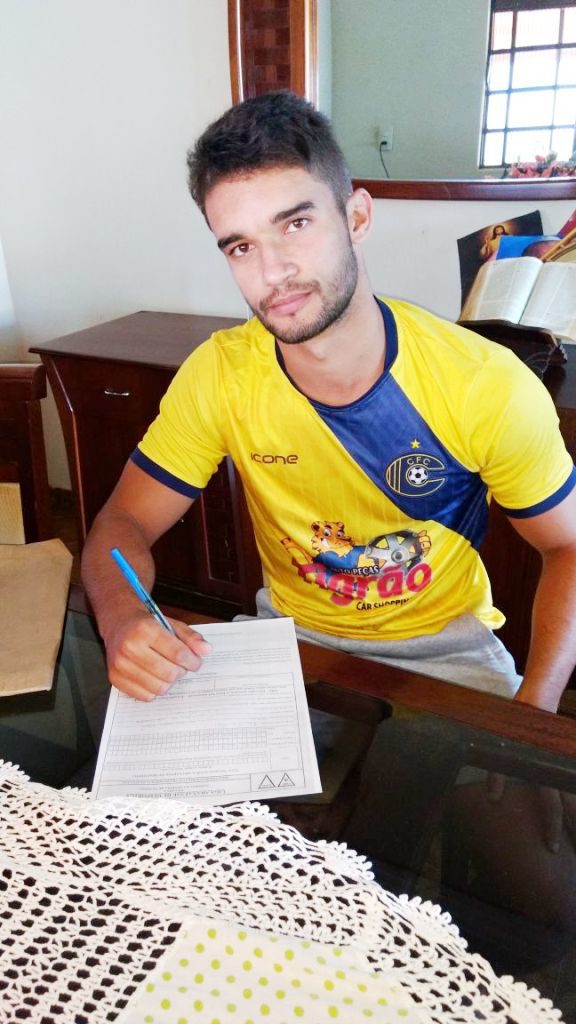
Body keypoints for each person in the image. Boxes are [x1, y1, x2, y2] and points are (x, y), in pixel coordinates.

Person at [81, 91, 576, 712]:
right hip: (289, 643)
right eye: (241, 246)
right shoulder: (221, 375)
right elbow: (122, 523)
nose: (273, 272)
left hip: (448, 653)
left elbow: (568, 546)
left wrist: (536, 710)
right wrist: (122, 618)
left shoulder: (486, 384)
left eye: (295, 224)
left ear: (357, 217)